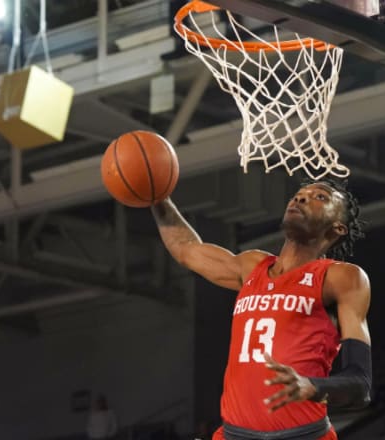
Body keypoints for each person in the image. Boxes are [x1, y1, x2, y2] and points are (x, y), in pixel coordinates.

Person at [151, 179, 372, 439]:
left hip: (303, 435)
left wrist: (311, 386)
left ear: (338, 228)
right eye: (299, 194)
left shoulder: (342, 278)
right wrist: (157, 197)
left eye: (320, 197)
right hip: (235, 434)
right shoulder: (251, 266)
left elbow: (361, 385)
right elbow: (186, 250)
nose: (300, 198)